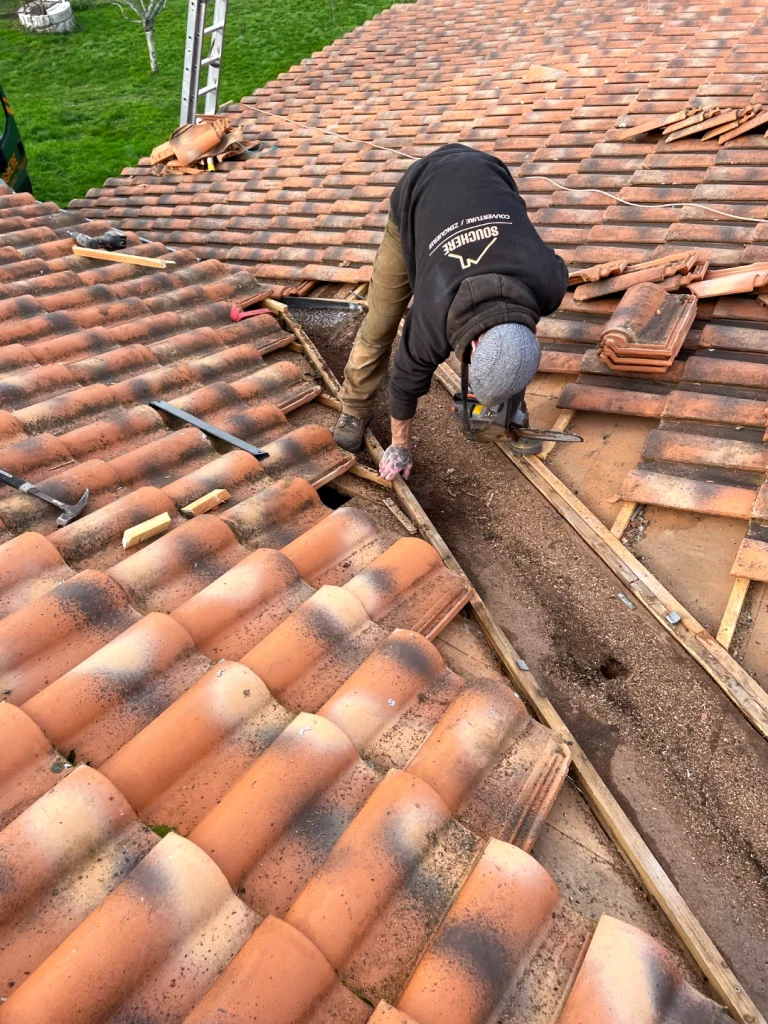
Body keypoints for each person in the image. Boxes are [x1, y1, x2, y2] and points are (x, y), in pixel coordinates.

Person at [333, 143, 568, 480]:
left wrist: (504, 384)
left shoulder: (549, 282)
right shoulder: (432, 314)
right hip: (418, 197)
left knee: (508, 355)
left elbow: (515, 342)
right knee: (381, 323)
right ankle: (354, 408)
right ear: (472, 347)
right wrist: (400, 446)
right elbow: (404, 381)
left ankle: (506, 406)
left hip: (488, 174)